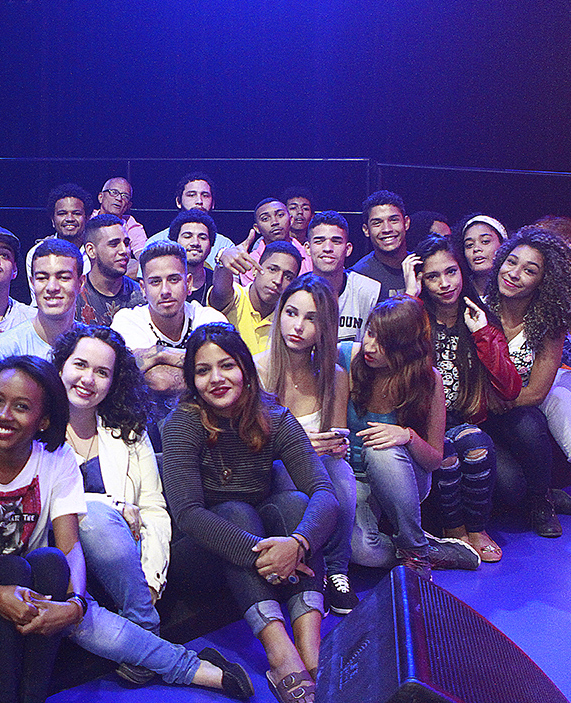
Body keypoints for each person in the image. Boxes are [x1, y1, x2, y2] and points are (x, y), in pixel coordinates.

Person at [0, 356, 252, 702]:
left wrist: (76, 604)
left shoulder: (56, 457)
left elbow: (69, 548)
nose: (4, 415)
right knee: (16, 570)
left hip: (30, 591)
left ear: (43, 420)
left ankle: (197, 671)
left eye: (21, 406)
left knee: (54, 569)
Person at [161, 323, 335, 702]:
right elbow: (188, 513)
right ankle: (281, 654)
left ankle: (311, 653)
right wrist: (268, 554)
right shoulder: (183, 422)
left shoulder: (275, 416)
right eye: (203, 371)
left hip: (260, 556)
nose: (216, 378)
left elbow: (325, 492)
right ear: (192, 380)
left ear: (245, 368)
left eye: (226, 366)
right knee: (236, 512)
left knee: (296, 505)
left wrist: (297, 544)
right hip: (198, 557)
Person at [50, 325, 169, 683]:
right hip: (67, 562)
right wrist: (112, 504)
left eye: (102, 372)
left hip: (126, 568)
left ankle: (142, 621)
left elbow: (153, 509)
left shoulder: (128, 428)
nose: (88, 379)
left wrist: (151, 580)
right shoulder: (37, 429)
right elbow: (52, 505)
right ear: (60, 367)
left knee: (103, 520)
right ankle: (149, 633)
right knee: (94, 516)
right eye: (80, 365)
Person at [404, 234, 520, 562]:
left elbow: (510, 388)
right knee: (447, 454)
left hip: (466, 420)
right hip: (423, 424)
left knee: (477, 445)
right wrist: (410, 298)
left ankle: (477, 529)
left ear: (462, 272)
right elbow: (389, 361)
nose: (444, 283)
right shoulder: (415, 318)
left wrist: (482, 334)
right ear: (421, 280)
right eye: (433, 276)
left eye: (451, 272)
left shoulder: (480, 318)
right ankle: (454, 532)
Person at [344, 296, 481, 570]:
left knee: (379, 447)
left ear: (405, 347)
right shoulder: (347, 356)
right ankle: (427, 548)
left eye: (383, 342)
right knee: (363, 552)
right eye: (370, 333)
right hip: (353, 481)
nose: (370, 346)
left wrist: (407, 436)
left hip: (404, 477)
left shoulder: (428, 380)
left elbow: (433, 460)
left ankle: (417, 555)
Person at [255, 274, 358, 615]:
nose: (297, 326)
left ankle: (337, 572)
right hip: (268, 471)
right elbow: (248, 446)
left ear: (325, 326)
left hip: (318, 469)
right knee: (297, 481)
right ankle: (313, 571)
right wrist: (299, 448)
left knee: (340, 473)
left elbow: (338, 438)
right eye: (291, 313)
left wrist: (334, 446)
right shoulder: (258, 369)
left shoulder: (335, 376)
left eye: (311, 318)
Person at [485, 225, 571, 534]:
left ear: (543, 281)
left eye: (529, 270)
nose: (514, 273)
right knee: (511, 488)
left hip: (517, 410)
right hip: (478, 416)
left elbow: (538, 391)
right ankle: (541, 493)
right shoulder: (478, 309)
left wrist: (500, 402)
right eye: (511, 262)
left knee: (529, 420)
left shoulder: (548, 324)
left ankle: (541, 501)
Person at [112, 242, 226, 420]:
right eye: (155, 282)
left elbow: (229, 372)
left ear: (188, 283)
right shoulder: (127, 320)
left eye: (173, 279)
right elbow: (159, 381)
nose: (165, 291)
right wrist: (205, 372)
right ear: (143, 289)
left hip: (211, 421)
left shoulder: (210, 319)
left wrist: (160, 355)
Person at [0, 238, 84, 373]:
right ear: (32, 283)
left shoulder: (93, 346)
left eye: (63, 277)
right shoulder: (7, 349)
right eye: (42, 278)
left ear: (81, 283)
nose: (52, 287)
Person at [210, 240, 302, 355]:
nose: (278, 281)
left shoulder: (288, 319)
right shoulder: (236, 296)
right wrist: (224, 257)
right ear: (254, 270)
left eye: (288, 276)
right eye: (272, 269)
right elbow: (220, 292)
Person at [303, 212, 381, 342]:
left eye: (336, 241)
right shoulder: (296, 292)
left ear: (348, 249)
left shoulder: (369, 291)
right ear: (307, 248)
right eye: (319, 241)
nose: (328, 248)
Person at [145, 170, 234, 269]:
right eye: (191, 195)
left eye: (205, 195)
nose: (199, 201)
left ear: (213, 203)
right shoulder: (155, 242)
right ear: (178, 201)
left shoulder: (225, 245)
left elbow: (233, 283)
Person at [77, 214, 145, 326]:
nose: (124, 250)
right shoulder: (74, 295)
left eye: (126, 243)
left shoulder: (141, 295)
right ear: (91, 250)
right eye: (114, 244)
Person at [25, 184, 93, 289]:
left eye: (76, 213)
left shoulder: (96, 253)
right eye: (62, 213)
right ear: (53, 220)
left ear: (87, 218)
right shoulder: (36, 252)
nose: (69, 218)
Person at [234, 198, 313, 286]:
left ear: (291, 220)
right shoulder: (250, 262)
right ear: (257, 228)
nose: (274, 222)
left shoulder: (309, 255)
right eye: (265, 218)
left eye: (280, 215)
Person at [352, 190, 411, 298]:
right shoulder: (358, 277)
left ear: (406, 223)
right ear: (366, 230)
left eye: (393, 220)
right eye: (377, 223)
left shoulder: (423, 266)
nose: (387, 229)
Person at [92, 177, 146, 276]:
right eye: (114, 192)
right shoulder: (86, 217)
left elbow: (146, 259)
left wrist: (114, 279)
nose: (119, 198)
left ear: (129, 205)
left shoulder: (130, 223)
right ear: (100, 197)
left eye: (125, 196)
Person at [170, 208, 217, 304]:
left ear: (210, 247)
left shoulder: (216, 283)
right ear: (174, 243)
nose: (195, 242)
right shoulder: (162, 279)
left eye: (202, 237)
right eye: (187, 236)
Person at [459, 213, 509, 298]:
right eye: (469, 245)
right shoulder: (459, 293)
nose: (476, 248)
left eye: (485, 241)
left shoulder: (513, 289)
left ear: (503, 245)